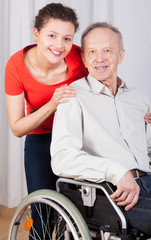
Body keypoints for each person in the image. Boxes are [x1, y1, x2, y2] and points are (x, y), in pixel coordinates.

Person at [51, 22, 151, 239]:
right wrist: (116, 171)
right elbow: (62, 158)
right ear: (84, 58)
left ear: (121, 55)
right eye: (92, 52)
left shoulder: (137, 98)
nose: (99, 58)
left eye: (107, 51)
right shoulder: (73, 98)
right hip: (111, 195)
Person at [5, 3, 87, 239]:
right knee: (41, 210)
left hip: (75, 136)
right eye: (52, 35)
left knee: (77, 210)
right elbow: (17, 127)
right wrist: (52, 103)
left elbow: (106, 75)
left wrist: (140, 107)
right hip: (39, 137)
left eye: (67, 38)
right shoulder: (16, 66)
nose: (60, 46)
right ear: (36, 34)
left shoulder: (78, 57)